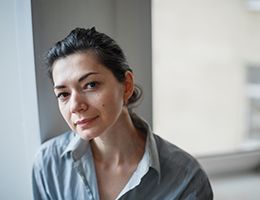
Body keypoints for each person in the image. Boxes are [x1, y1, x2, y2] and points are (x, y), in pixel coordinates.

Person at [32, 27, 213, 200]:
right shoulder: (48, 164)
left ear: (126, 86)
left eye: (91, 84)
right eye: (63, 94)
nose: (75, 106)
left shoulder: (188, 179)